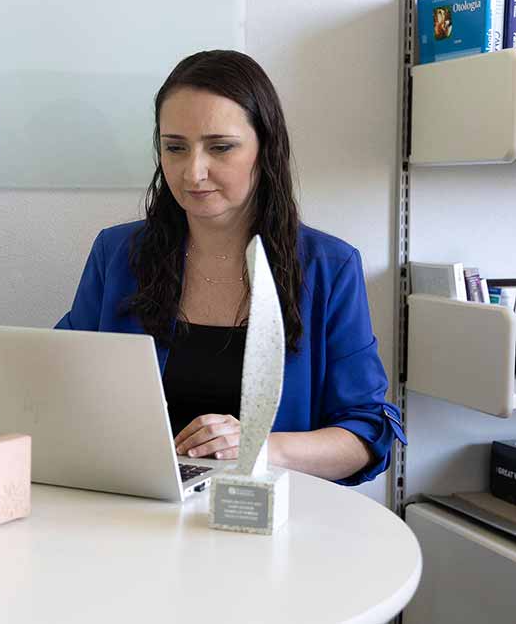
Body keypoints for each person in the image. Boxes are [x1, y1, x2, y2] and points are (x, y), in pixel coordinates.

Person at [55, 50, 406, 485]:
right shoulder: (118, 254)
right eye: (175, 148)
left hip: (269, 526)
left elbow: (367, 435)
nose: (193, 172)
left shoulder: (327, 267)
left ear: (265, 147)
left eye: (220, 148)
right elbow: (58, 380)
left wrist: (261, 445)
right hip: (134, 513)